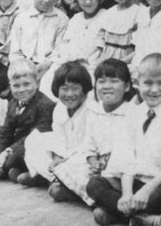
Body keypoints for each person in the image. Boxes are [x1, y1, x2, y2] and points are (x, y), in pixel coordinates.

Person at [86, 53, 161, 226]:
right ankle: (141, 218)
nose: (154, 90)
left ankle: (120, 214)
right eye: (148, 83)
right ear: (137, 84)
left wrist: (146, 191)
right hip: (134, 181)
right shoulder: (134, 114)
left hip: (159, 185)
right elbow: (126, 158)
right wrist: (127, 193)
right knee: (94, 185)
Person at [52, 59, 136, 204]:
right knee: (65, 167)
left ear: (127, 86)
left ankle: (105, 204)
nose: (107, 87)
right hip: (100, 168)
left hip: (124, 171)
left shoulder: (132, 113)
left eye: (114, 81)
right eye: (102, 81)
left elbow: (131, 151)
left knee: (96, 184)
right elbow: (88, 145)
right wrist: (93, 162)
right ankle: (100, 200)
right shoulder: (94, 112)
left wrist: (107, 165)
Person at [23, 61, 93, 187]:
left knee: (81, 164)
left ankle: (53, 180)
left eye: (75, 88)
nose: (69, 94)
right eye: (64, 89)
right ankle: (55, 178)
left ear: (85, 89)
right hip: (66, 154)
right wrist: (57, 157)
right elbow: (59, 139)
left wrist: (65, 159)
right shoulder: (60, 108)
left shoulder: (91, 109)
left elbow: (89, 146)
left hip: (83, 155)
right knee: (33, 140)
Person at [39, 0, 106, 98]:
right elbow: (65, 45)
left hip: (90, 67)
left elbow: (102, 52)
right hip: (69, 63)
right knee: (47, 82)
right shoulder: (76, 19)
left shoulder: (105, 17)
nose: (88, 1)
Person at [9, 0, 69, 80]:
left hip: (51, 68)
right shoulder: (21, 18)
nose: (46, 0)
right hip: (24, 68)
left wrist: (47, 65)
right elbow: (15, 51)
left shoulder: (61, 19)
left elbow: (60, 51)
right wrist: (24, 68)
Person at [97, 0, 141, 64]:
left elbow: (138, 50)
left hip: (127, 64)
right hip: (106, 64)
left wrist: (119, 64)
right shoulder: (107, 14)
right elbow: (100, 48)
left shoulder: (139, 13)